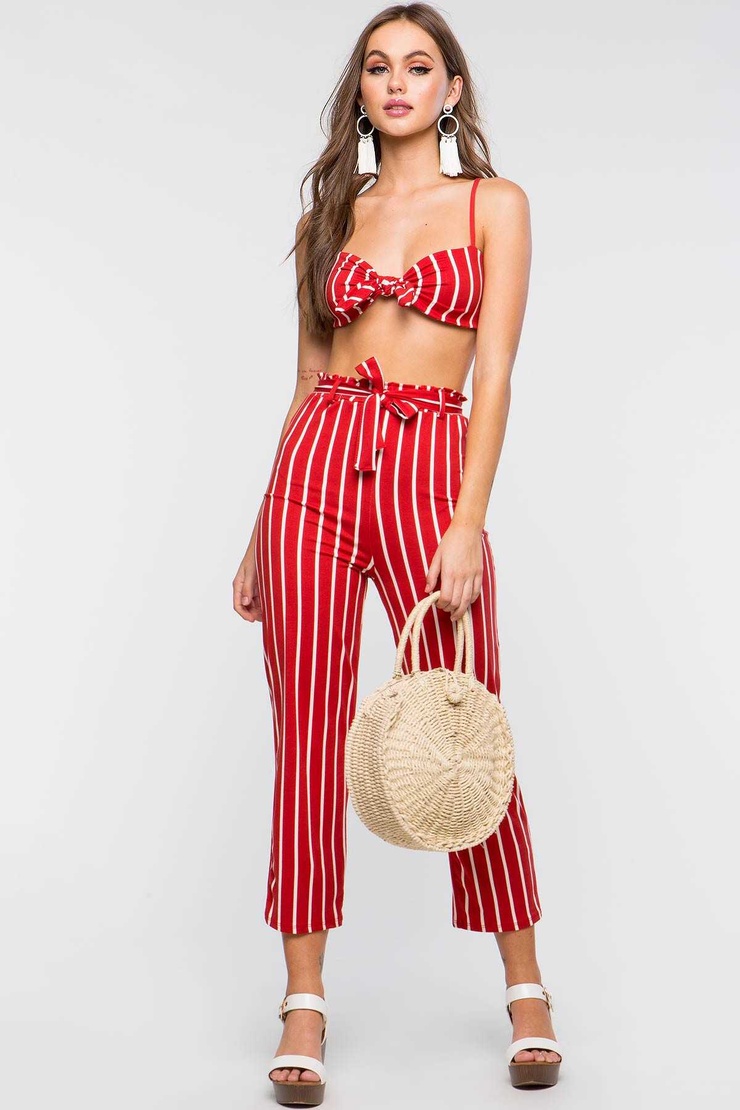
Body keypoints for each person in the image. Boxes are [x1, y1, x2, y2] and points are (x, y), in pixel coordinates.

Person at [232, 3, 562, 1102]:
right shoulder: (330, 214)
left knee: (467, 725)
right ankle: (304, 1001)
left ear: (450, 89)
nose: (397, 82)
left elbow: (496, 372)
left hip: (431, 467)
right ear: (362, 92)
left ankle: (525, 988)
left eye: (419, 66)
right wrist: (259, 528)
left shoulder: (494, 205)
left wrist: (467, 520)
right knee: (307, 734)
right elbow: (305, 380)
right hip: (316, 473)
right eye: (378, 67)